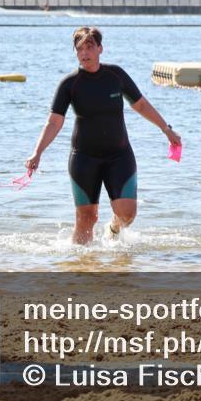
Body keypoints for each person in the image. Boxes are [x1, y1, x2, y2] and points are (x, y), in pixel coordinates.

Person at [24, 27, 181, 245]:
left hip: (119, 155)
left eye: (89, 47)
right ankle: (81, 268)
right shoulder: (70, 84)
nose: (84, 53)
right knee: (86, 220)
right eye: (80, 49)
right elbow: (54, 122)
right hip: (84, 158)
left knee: (127, 213)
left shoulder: (116, 75)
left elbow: (141, 105)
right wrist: (37, 152)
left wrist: (166, 129)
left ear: (100, 48)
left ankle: (113, 229)